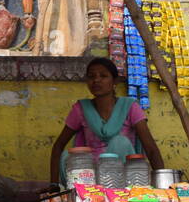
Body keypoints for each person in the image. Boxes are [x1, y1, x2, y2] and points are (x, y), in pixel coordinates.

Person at [49, 57, 165, 186]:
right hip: (90, 178)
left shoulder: (130, 106)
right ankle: (78, 193)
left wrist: (163, 185)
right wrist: (53, 185)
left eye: (103, 76)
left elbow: (151, 148)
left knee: (119, 142)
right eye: (91, 76)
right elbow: (58, 146)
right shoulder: (81, 108)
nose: (96, 80)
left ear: (114, 81)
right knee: (67, 155)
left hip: (124, 178)